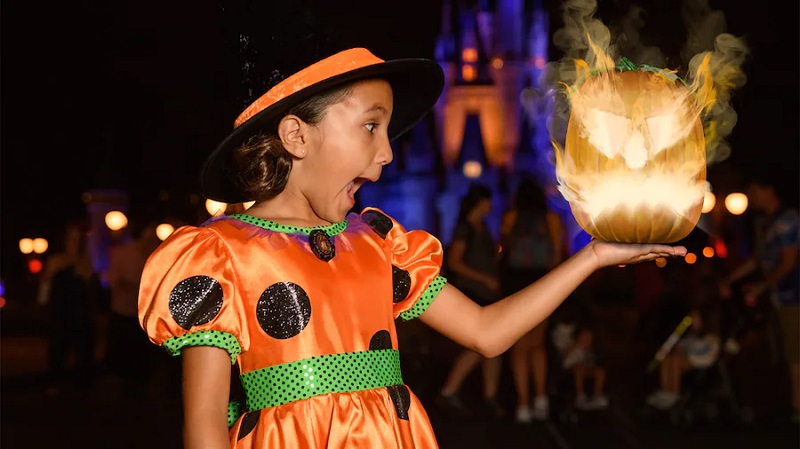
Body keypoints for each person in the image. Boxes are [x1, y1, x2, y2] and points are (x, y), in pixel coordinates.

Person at [137, 47, 686, 449]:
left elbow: (487, 334)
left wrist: (592, 256)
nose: (387, 155)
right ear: (297, 136)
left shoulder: (378, 243)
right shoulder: (220, 254)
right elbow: (205, 426)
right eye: (371, 128)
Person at [719, 174, 799, 422]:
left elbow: (788, 262)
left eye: (753, 190)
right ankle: (785, 402)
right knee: (781, 350)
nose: (750, 197)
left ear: (768, 189)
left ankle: (796, 408)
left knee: (795, 353)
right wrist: (730, 280)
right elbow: (757, 259)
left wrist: (762, 286)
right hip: (775, 298)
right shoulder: (764, 222)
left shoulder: (788, 219)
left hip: (794, 295)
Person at [434, 183, 505, 419]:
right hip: (472, 291)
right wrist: (484, 278)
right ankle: (449, 389)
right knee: (478, 343)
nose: (490, 206)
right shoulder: (464, 228)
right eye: (487, 201)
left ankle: (490, 396)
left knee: (494, 346)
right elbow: (454, 262)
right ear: (480, 202)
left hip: (487, 292)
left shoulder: (482, 227)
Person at [500, 176, 566, 422]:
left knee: (519, 345)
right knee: (538, 344)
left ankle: (523, 404)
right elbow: (557, 256)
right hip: (541, 283)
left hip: (516, 284)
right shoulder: (551, 221)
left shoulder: (511, 218)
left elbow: (505, 251)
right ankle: (541, 398)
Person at [37, 219, 100, 394]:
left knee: (82, 351)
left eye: (79, 238)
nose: (76, 241)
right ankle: (55, 381)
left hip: (81, 314)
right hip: (61, 313)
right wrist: (43, 306)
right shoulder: (56, 262)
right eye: (72, 238)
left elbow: (91, 292)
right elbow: (46, 287)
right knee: (58, 350)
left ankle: (82, 384)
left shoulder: (86, 263)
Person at [105, 220, 161, 391]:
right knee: (123, 357)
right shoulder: (122, 253)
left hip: (145, 318)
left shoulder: (158, 256)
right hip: (123, 313)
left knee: (141, 361)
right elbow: (113, 281)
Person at [646, 305, 721, 410]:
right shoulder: (692, 332)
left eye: (695, 317)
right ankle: (665, 390)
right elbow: (682, 344)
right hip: (689, 357)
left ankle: (673, 393)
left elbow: (702, 352)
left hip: (701, 360)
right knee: (668, 358)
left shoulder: (711, 336)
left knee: (675, 359)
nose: (692, 320)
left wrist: (681, 350)